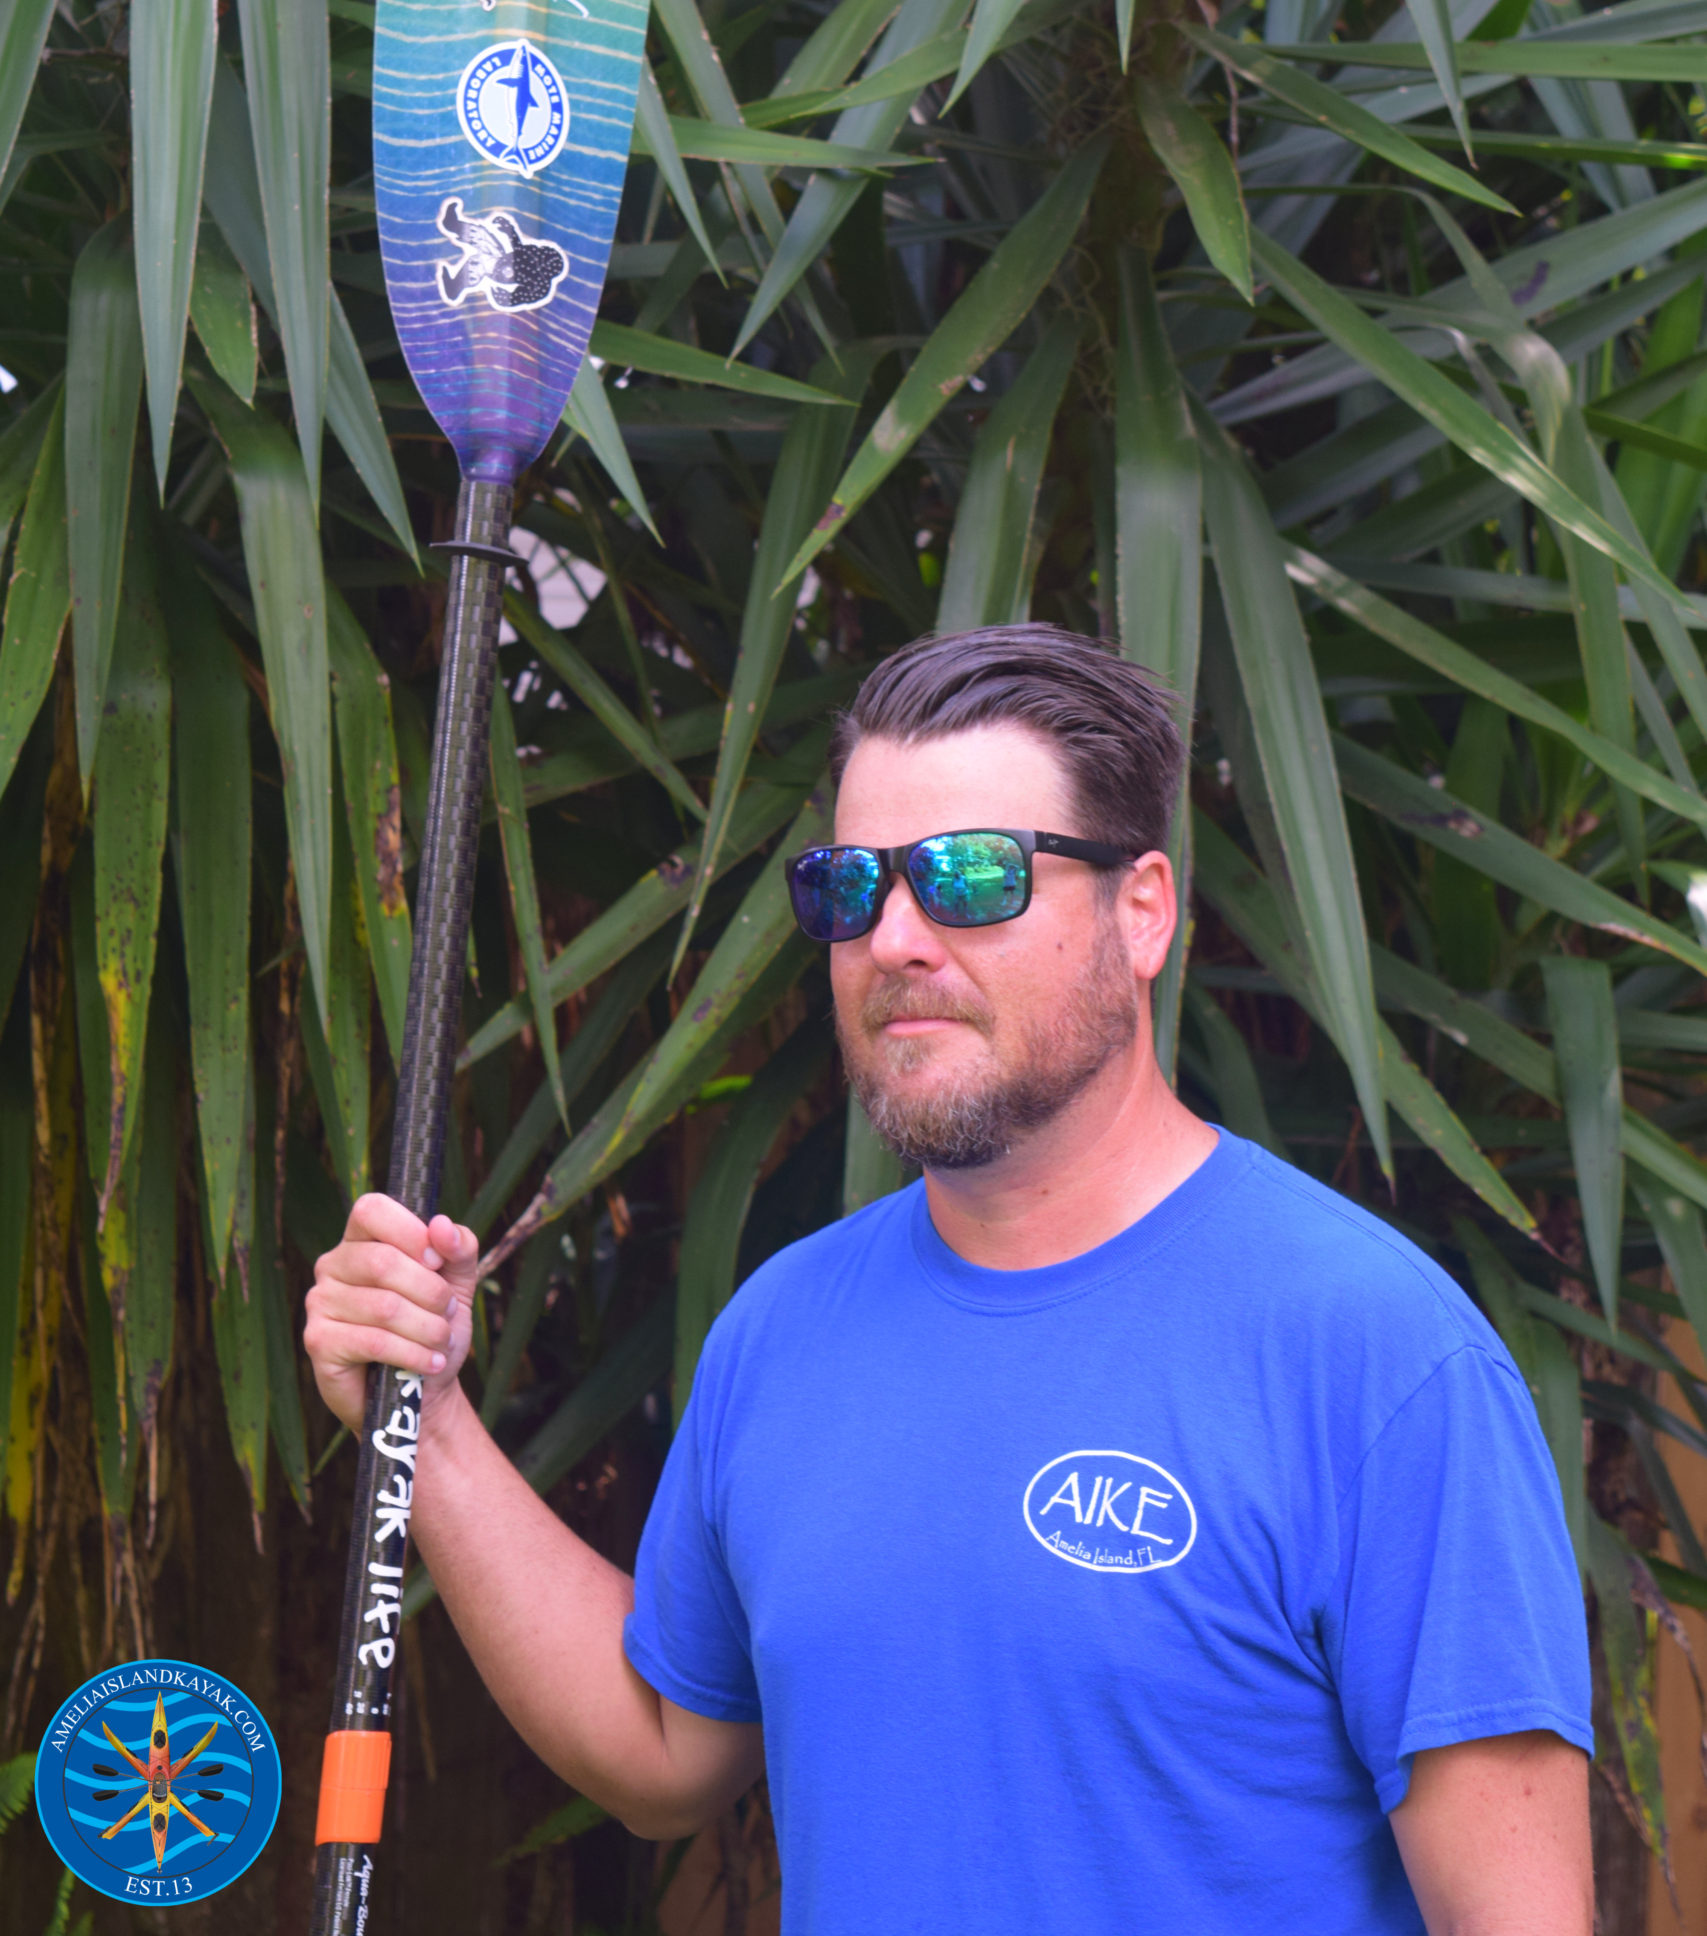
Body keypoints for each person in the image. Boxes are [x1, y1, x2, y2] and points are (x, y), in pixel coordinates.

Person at [305, 623, 1594, 1935]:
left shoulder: (1376, 1357)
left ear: (1140, 911)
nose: (898, 938)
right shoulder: (785, 1330)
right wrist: (434, 1428)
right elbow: (660, 1754)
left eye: (971, 876)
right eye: (852, 888)